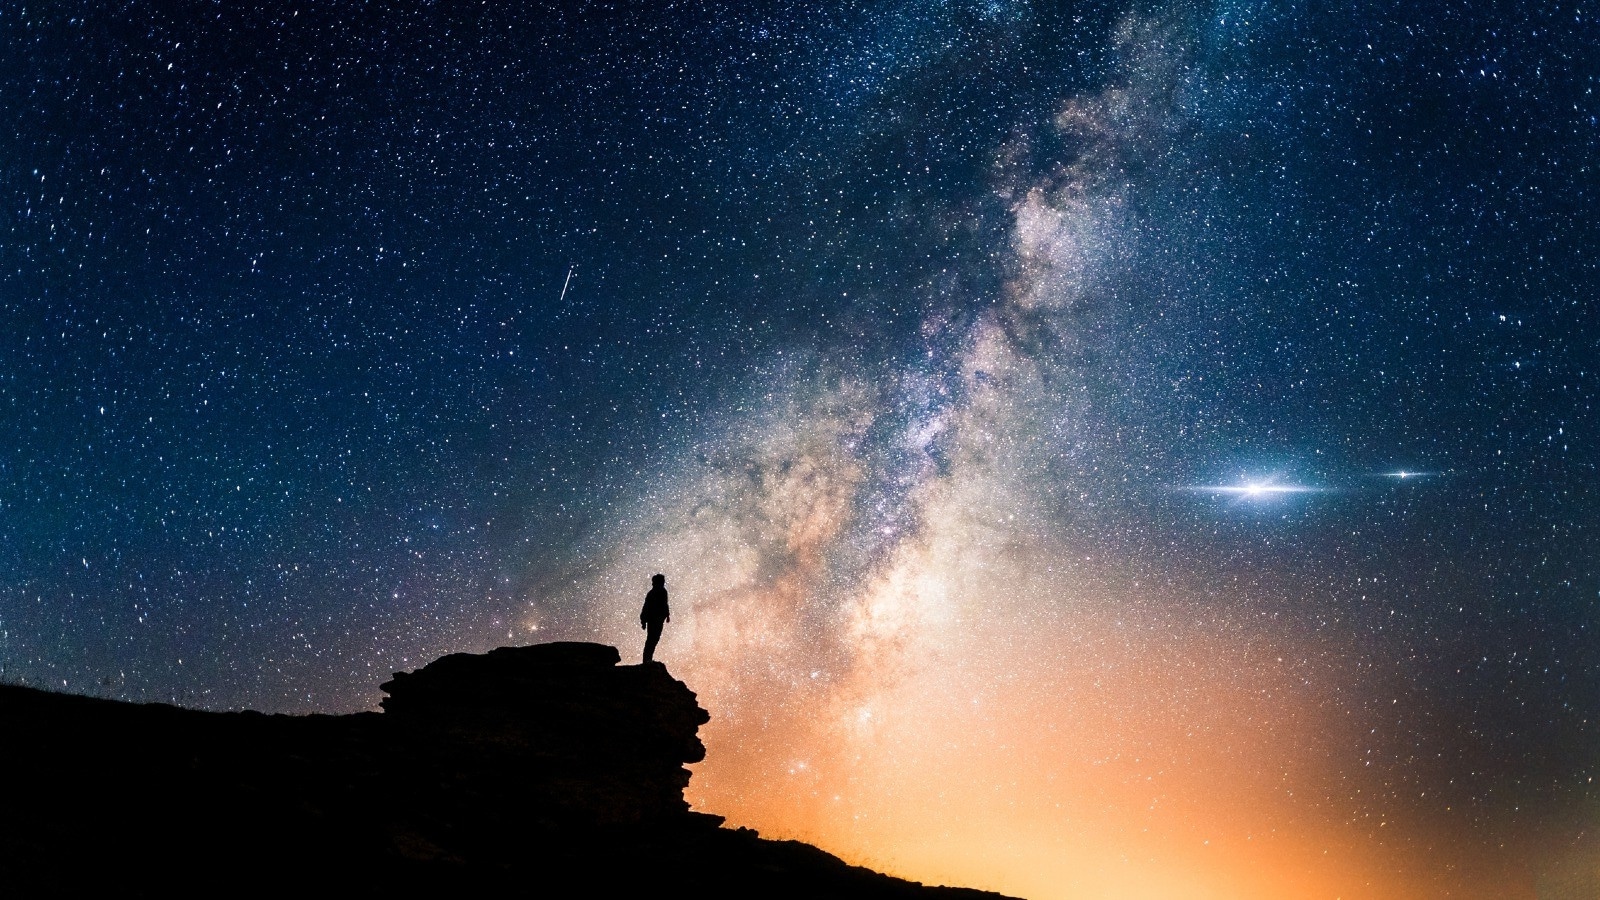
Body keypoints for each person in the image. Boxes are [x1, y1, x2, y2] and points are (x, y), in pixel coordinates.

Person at [640, 573, 670, 663]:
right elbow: (646, 607)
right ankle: (647, 660)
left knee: (654, 639)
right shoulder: (653, 593)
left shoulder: (662, 591)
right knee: (651, 639)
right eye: (662, 581)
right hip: (654, 620)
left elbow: (665, 604)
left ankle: (648, 659)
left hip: (658, 619)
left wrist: (667, 615)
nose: (664, 583)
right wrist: (643, 621)